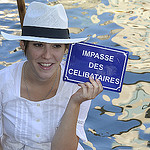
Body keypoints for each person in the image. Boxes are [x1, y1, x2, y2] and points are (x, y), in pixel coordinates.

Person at [0, 2, 103, 150]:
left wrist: (75, 102)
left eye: (56, 46)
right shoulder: (3, 83)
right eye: (38, 45)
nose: (47, 56)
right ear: (23, 45)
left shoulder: (78, 86)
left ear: (65, 49)